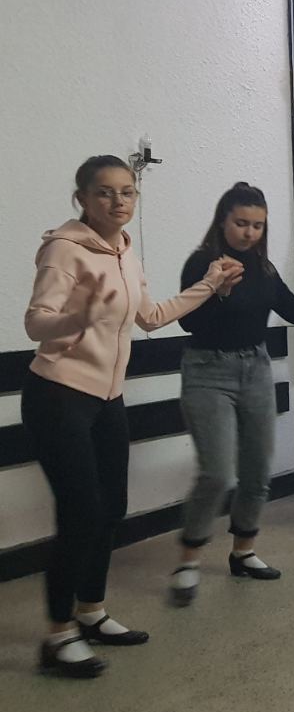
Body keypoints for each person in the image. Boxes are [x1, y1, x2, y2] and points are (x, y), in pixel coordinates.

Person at [23, 156, 243, 677]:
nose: (118, 201)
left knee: (110, 509)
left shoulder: (125, 251)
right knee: (79, 513)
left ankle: (91, 612)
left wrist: (209, 282)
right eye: (105, 192)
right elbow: (37, 323)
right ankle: (57, 636)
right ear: (82, 198)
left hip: (107, 398)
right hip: (59, 395)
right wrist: (78, 317)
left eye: (127, 192)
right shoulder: (64, 248)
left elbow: (150, 317)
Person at [171, 183, 294, 606]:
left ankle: (243, 552)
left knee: (257, 470)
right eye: (241, 223)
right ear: (223, 221)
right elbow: (189, 323)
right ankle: (189, 559)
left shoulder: (263, 268)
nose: (250, 233)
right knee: (215, 473)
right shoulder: (202, 262)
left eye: (258, 225)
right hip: (208, 369)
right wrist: (218, 291)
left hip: (256, 368)